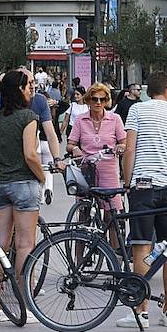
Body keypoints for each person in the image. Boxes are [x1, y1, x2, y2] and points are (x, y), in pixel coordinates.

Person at [118, 70, 167, 329]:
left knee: (142, 246)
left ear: (147, 90)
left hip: (143, 185)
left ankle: (141, 311)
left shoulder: (137, 111)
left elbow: (130, 149)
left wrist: (127, 182)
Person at [0, 70, 46, 322]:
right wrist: (41, 176)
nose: (31, 90)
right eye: (28, 86)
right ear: (18, 89)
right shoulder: (28, 117)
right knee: (25, 245)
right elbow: (30, 154)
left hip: (0, 185)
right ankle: (25, 305)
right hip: (24, 183)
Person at [67, 83, 126, 231]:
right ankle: (79, 255)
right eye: (94, 99)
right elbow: (70, 144)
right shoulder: (81, 120)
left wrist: (120, 147)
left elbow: (125, 142)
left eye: (102, 99)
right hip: (87, 170)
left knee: (110, 216)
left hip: (109, 171)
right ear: (88, 100)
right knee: (84, 217)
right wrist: (75, 149)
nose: (98, 103)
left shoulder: (115, 119)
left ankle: (113, 252)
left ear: (107, 101)